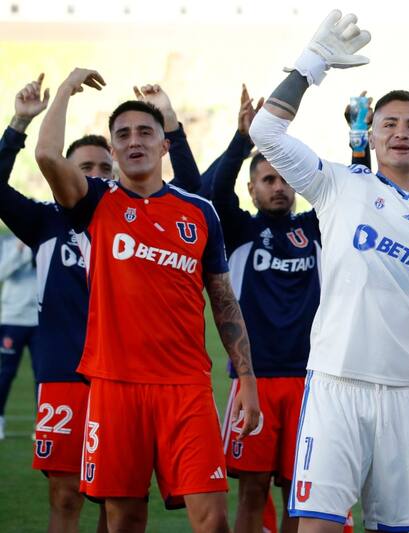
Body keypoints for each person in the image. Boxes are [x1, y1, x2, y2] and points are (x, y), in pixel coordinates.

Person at [249, 10, 409, 532]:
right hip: (335, 388)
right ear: (371, 137)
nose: (402, 133)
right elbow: (265, 130)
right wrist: (312, 63)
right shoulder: (338, 185)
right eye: (389, 126)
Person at [34, 67, 260, 533]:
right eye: (123, 135)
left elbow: (223, 301)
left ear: (164, 145)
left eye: (144, 132)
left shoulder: (199, 212)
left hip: (187, 388)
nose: (134, 140)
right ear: (113, 149)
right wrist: (66, 89)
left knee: (213, 519)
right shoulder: (96, 202)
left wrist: (247, 378)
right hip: (115, 387)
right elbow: (46, 154)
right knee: (124, 519)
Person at [213, 89, 317, 533]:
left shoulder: (315, 228)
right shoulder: (239, 229)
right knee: (252, 490)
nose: (278, 187)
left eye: (285, 179)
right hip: (253, 381)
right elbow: (216, 191)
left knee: (299, 493)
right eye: (268, 180)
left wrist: (357, 140)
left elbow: (355, 190)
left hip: (308, 380)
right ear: (251, 189)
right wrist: (242, 139)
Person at [0, 235, 37, 439]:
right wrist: (19, 249)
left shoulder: (44, 238)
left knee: (42, 374)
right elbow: (2, 272)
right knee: (6, 372)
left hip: (40, 320)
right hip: (12, 319)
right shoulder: (6, 243)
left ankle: (42, 422)